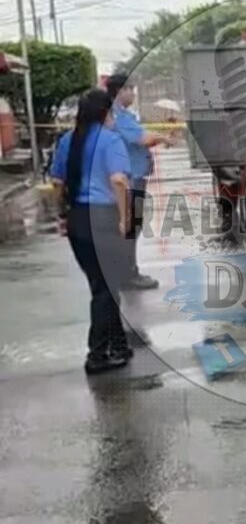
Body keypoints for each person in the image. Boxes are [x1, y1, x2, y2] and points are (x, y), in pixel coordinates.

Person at [50, 89, 133, 374]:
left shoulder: (67, 141)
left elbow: (57, 183)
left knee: (102, 286)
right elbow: (119, 181)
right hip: (103, 219)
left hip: (78, 218)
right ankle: (97, 355)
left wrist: (61, 215)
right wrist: (126, 219)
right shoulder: (110, 141)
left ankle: (119, 344)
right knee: (106, 290)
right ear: (104, 112)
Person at [105, 73, 174, 290]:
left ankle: (125, 271)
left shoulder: (121, 115)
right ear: (119, 91)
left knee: (129, 226)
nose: (133, 94)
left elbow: (141, 138)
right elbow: (141, 138)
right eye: (130, 89)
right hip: (129, 179)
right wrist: (164, 138)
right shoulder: (118, 116)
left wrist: (158, 137)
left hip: (132, 176)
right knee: (129, 226)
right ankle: (128, 274)